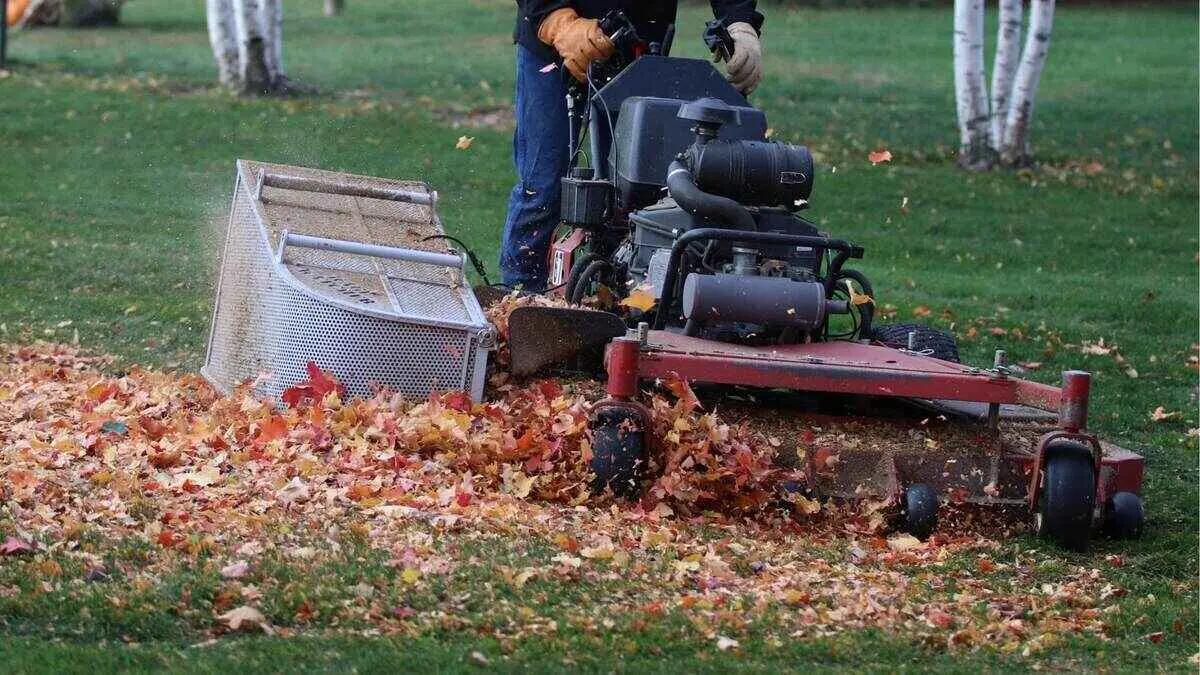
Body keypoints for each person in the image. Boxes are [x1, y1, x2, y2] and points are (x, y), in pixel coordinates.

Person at [502, 1, 765, 291]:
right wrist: (558, 21)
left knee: (632, 192)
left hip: (637, 41)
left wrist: (739, 22)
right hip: (552, 45)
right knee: (543, 187)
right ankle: (519, 301)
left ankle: (617, 307)